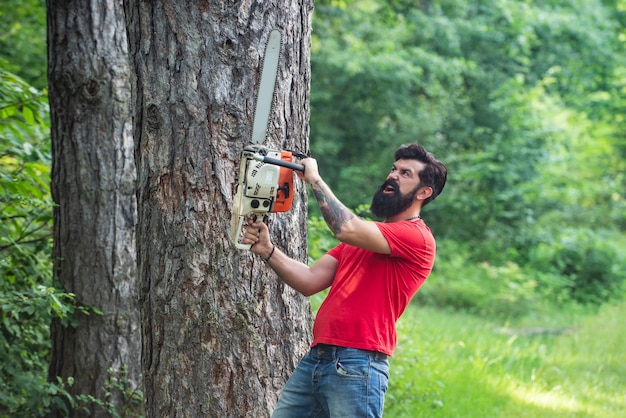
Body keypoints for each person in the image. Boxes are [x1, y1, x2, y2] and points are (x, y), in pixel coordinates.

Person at [242, 144, 447, 417]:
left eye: (405, 173)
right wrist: (267, 250)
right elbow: (309, 280)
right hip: (317, 357)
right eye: (394, 169)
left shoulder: (416, 236)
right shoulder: (365, 238)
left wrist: (315, 179)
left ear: (424, 192)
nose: (393, 175)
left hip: (358, 363)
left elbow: (345, 227)